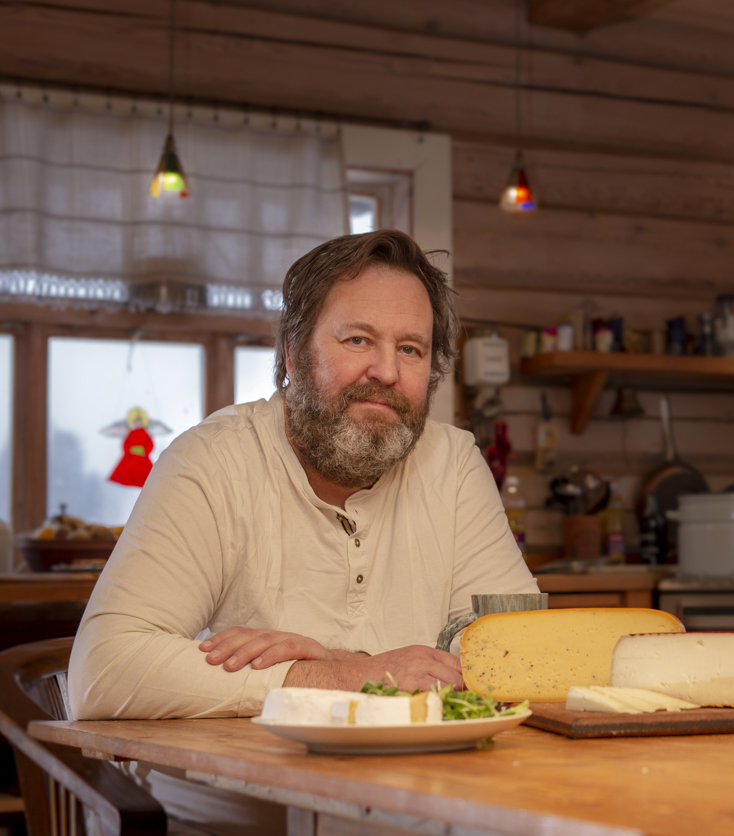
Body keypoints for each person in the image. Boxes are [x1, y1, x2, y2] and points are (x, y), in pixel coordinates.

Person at [68, 230, 538, 833]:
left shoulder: (454, 466)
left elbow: (517, 656)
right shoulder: (209, 461)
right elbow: (105, 669)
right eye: (357, 339)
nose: (387, 372)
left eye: (412, 349)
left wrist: (345, 662)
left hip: (422, 808)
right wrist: (335, 677)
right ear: (294, 353)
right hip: (225, 819)